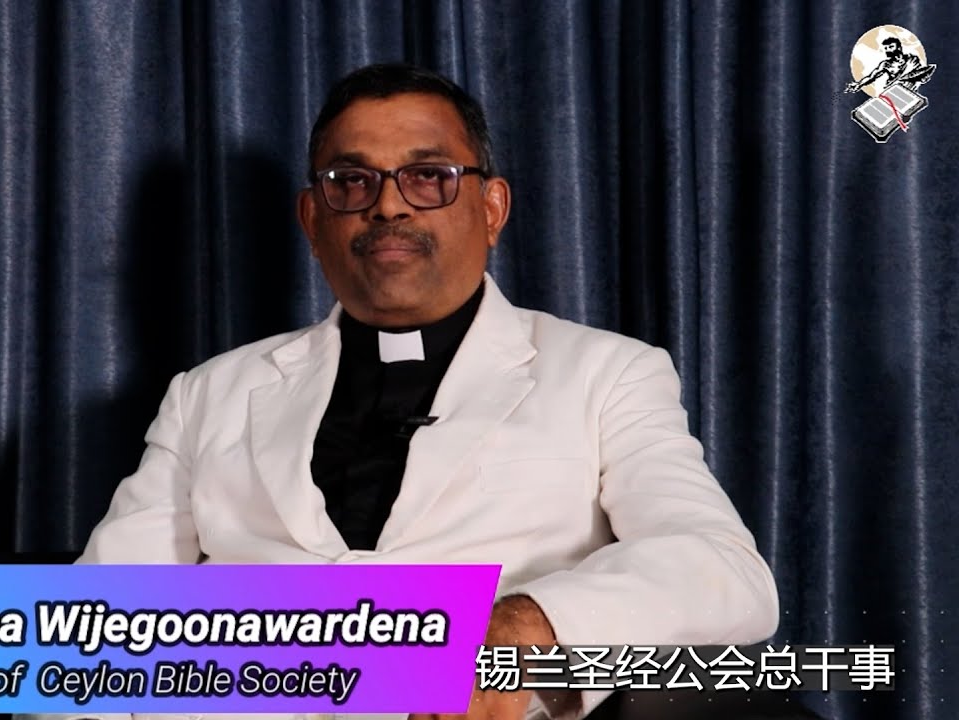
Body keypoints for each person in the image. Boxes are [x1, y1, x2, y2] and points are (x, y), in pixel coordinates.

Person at [43, 63, 780, 720]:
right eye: (351, 180)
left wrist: (526, 626)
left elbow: (725, 571)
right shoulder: (209, 394)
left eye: (429, 176)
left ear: (491, 209)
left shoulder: (605, 373)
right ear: (312, 219)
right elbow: (85, 633)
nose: (389, 206)